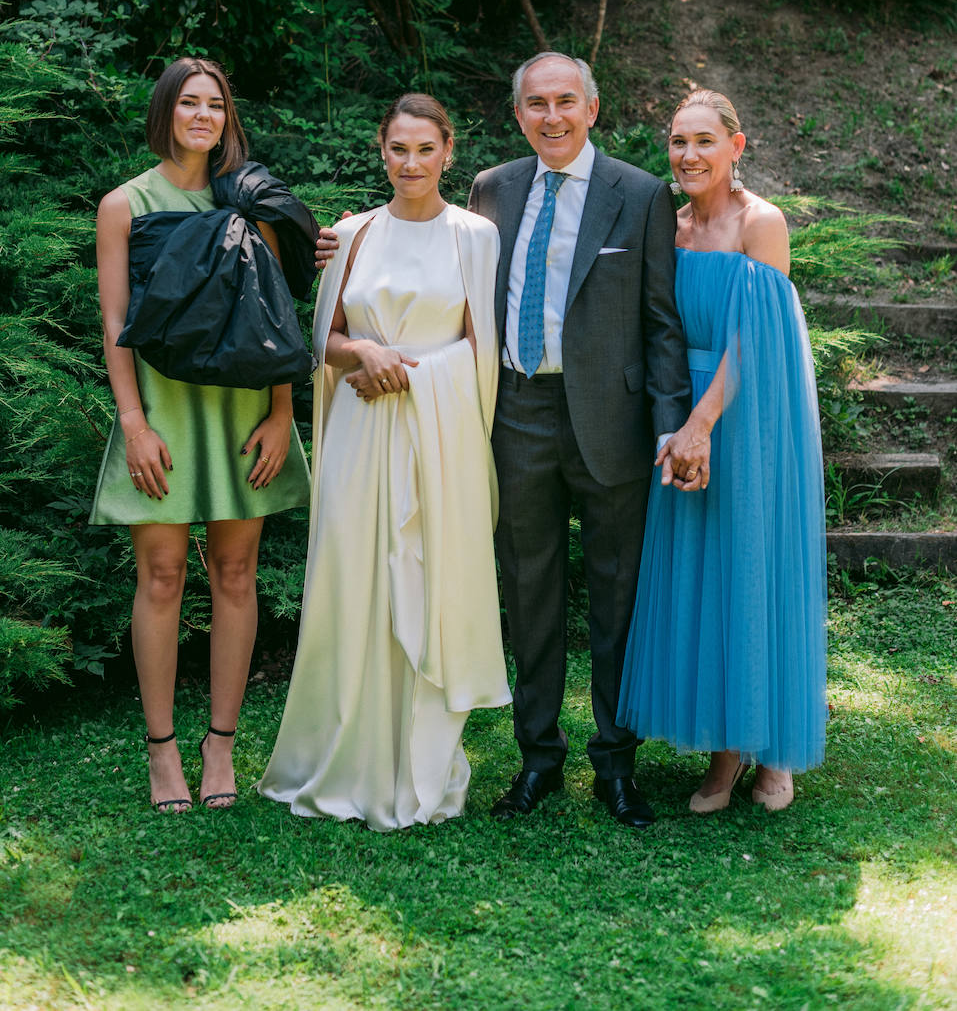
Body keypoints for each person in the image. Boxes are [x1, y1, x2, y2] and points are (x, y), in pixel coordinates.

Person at [259, 94, 510, 832]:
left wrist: (413, 373)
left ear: (447, 152)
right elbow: (322, 341)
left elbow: (482, 348)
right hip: (362, 436)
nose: (410, 164)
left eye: (424, 150)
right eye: (398, 149)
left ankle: (422, 763)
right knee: (356, 579)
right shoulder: (350, 235)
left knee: (429, 574)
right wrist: (361, 353)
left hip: (442, 439)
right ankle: (344, 756)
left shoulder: (477, 237)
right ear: (382, 151)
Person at [467, 52, 701, 829]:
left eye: (566, 101)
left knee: (617, 599)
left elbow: (661, 322)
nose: (552, 116)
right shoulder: (491, 190)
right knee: (528, 593)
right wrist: (348, 247)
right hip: (518, 414)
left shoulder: (638, 194)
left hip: (614, 425)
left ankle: (616, 763)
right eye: (536, 103)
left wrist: (671, 428)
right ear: (518, 114)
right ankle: (536, 759)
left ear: (592, 109)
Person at [91, 57, 312, 813]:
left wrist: (282, 414)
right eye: (189, 102)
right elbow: (116, 325)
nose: (202, 116)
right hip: (160, 410)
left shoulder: (251, 199)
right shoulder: (125, 204)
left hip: (244, 409)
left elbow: (275, 318)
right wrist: (132, 423)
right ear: (165, 111)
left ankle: (221, 750)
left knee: (236, 575)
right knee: (159, 577)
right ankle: (163, 756)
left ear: (227, 117)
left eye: (215, 104)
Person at [616, 88, 828, 814]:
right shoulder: (668, 228)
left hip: (750, 413)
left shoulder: (759, 223)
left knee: (753, 564)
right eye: (677, 141)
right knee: (702, 573)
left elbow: (753, 341)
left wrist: (702, 425)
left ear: (736, 146)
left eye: (703, 140)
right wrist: (674, 426)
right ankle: (723, 751)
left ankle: (771, 751)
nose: (687, 155)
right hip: (680, 415)